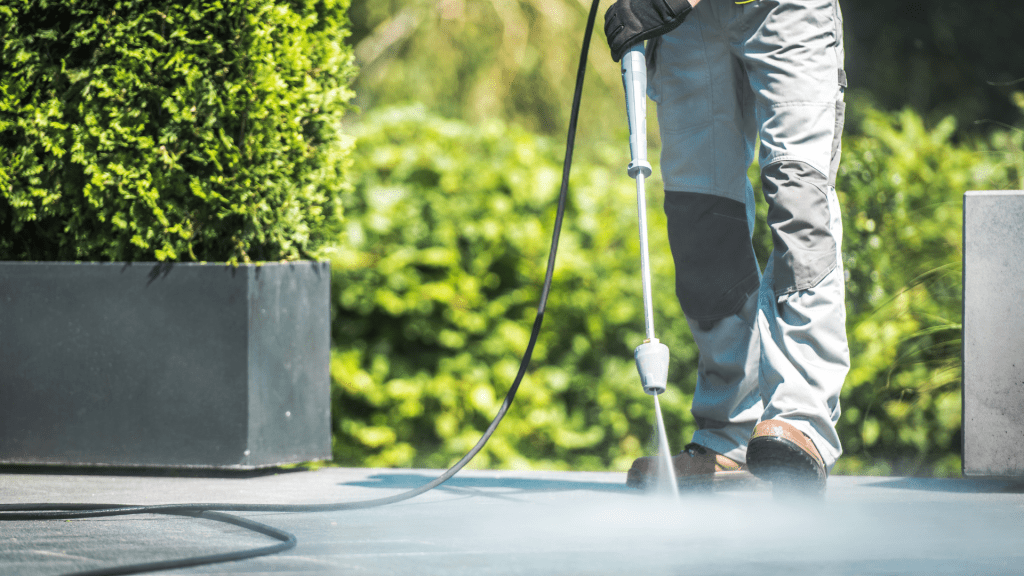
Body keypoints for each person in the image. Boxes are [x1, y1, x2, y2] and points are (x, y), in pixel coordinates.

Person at [604, 0, 849, 493]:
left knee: (799, 201)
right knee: (700, 217)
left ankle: (801, 421)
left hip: (785, 12)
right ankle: (729, 433)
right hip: (686, 25)